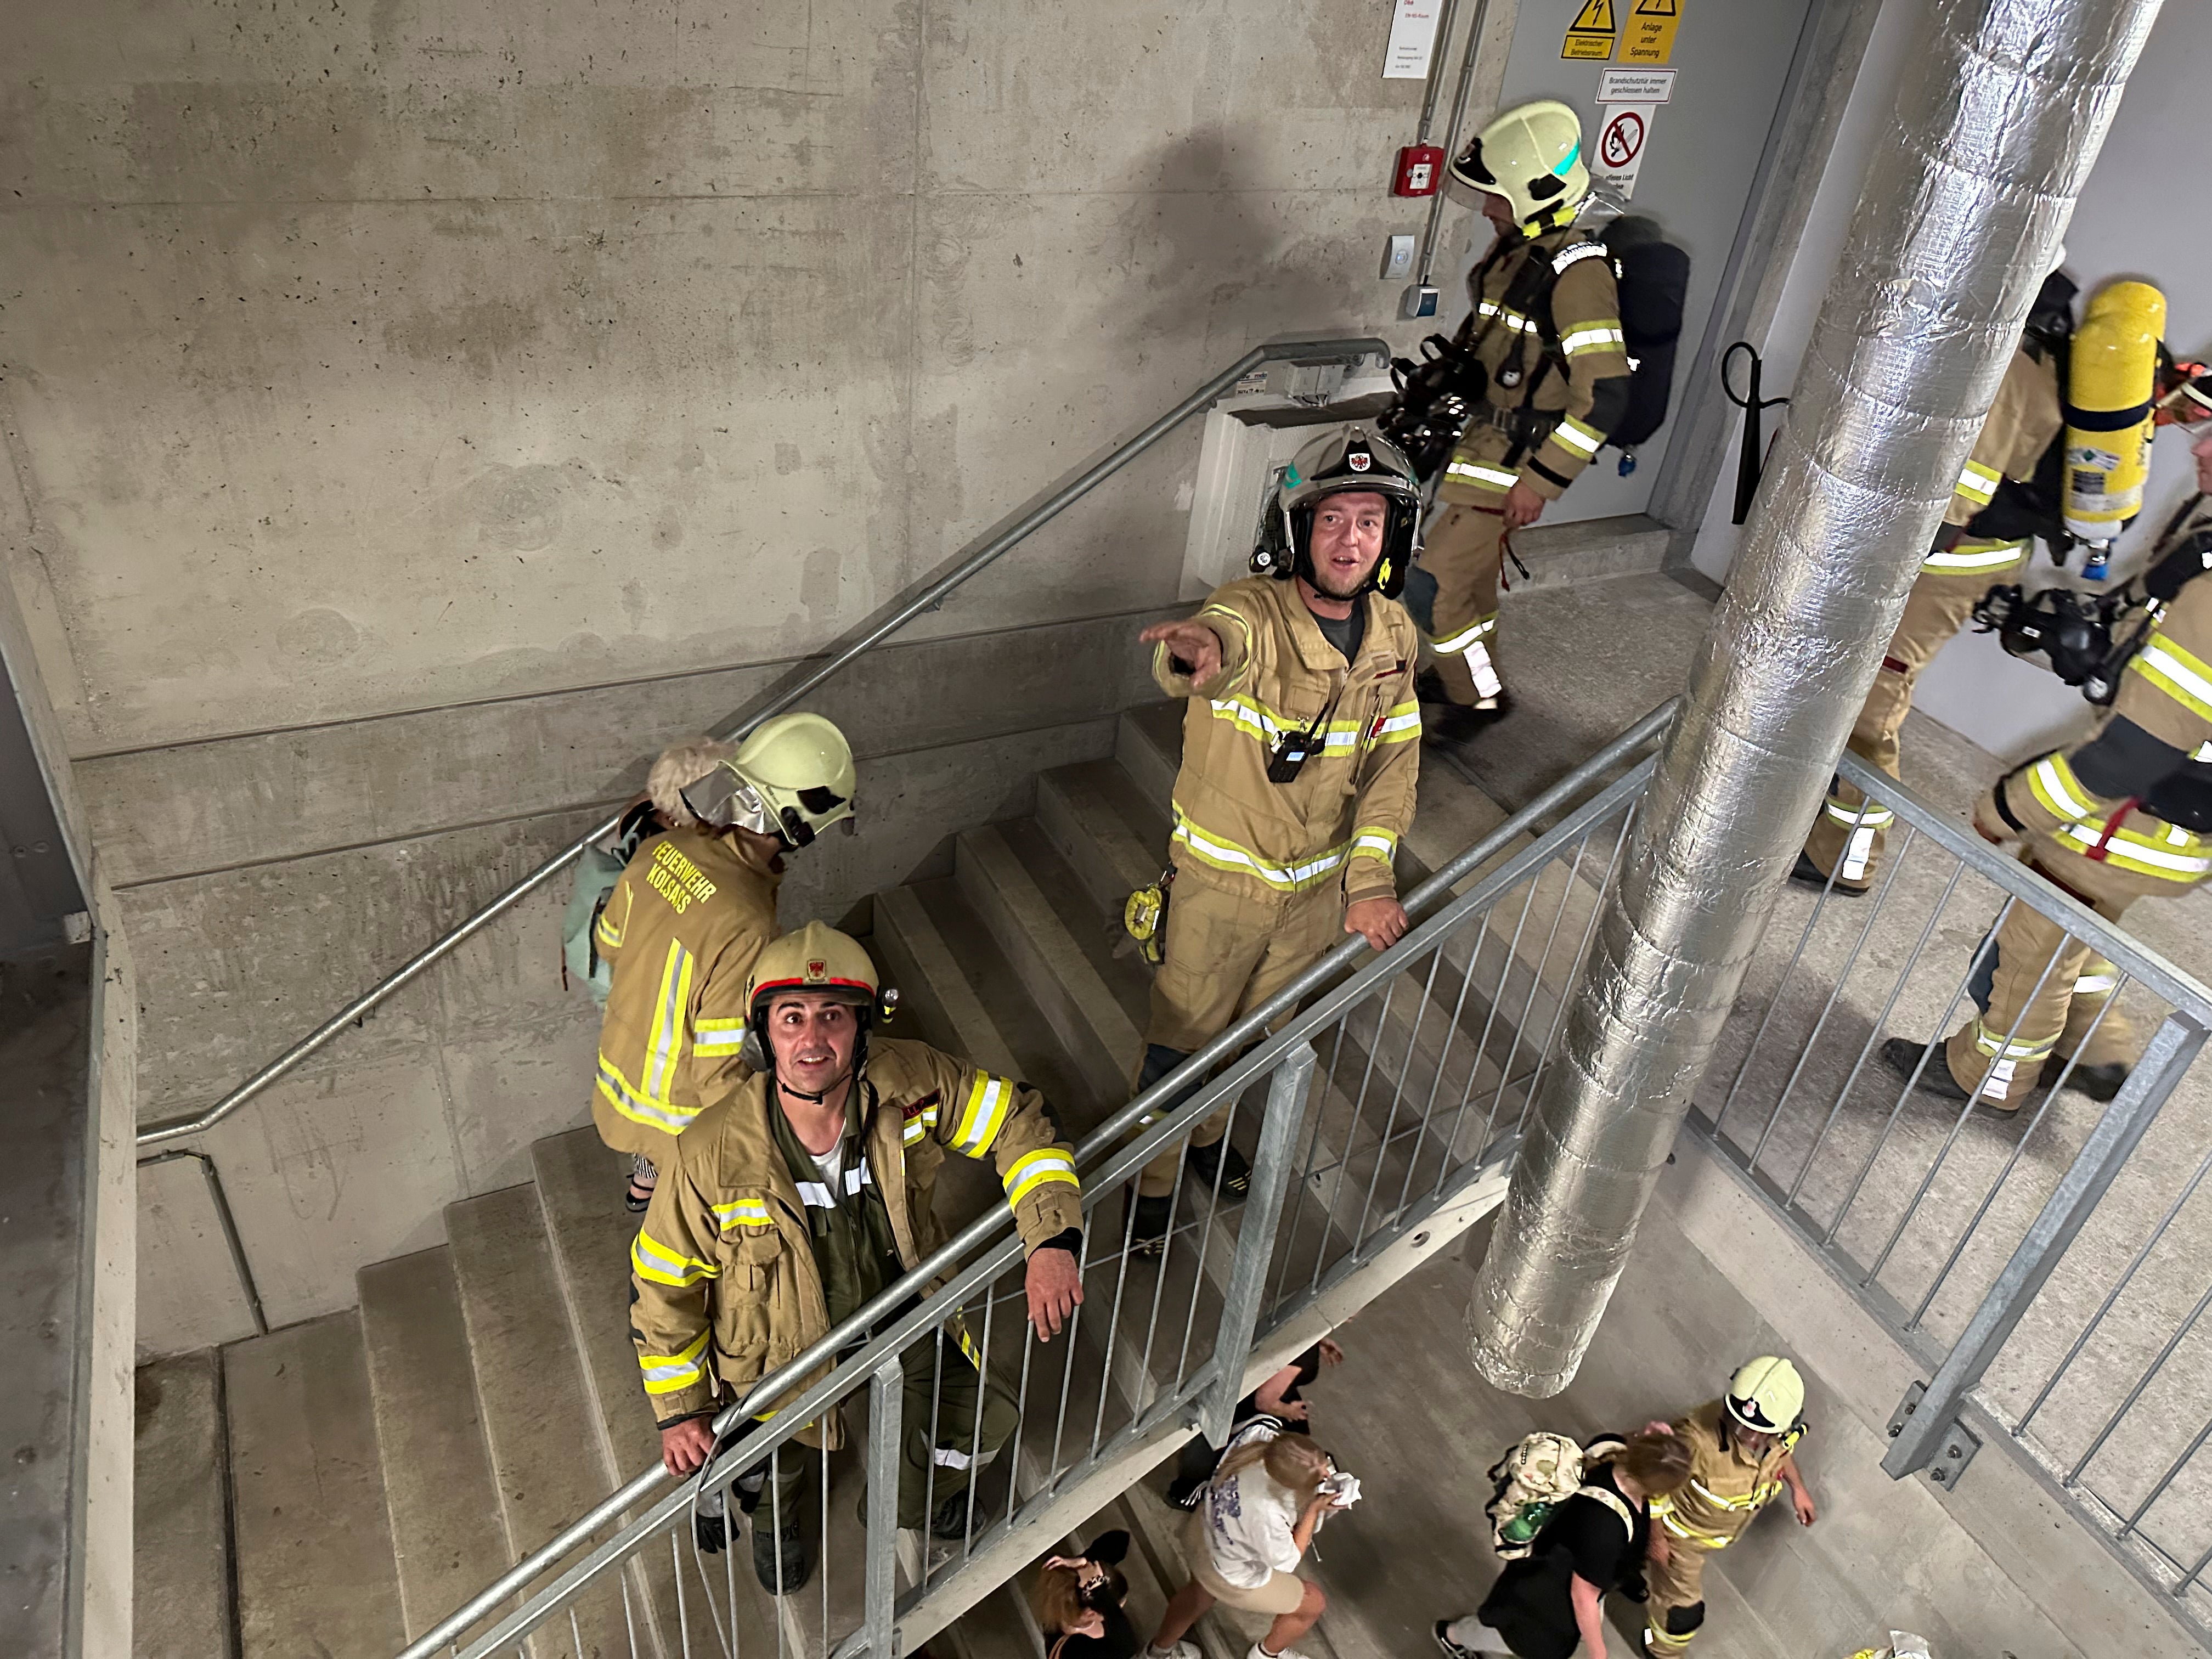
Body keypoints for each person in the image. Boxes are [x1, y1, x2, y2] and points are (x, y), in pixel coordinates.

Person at [628, 922, 1085, 1593]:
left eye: (832, 1017)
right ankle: (772, 1526)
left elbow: (1018, 1123)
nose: (812, 1040)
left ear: (862, 1028)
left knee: (981, 1415)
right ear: (764, 1034)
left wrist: (1051, 1238)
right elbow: (664, 1284)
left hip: (903, 1299)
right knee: (777, 1459)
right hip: (779, 1351)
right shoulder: (709, 1155)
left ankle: (914, 1503)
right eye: (792, 1019)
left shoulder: (913, 1081)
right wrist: (681, 1408)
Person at [1128, 427, 1424, 1251]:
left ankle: (1210, 1143)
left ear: (1391, 536)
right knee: (1179, 1046)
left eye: (1370, 520)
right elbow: (1216, 644)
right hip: (1217, 896)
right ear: (1297, 529)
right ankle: (1152, 1186)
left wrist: (1369, 877)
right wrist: (1199, 656)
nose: (1350, 538)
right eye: (1332, 519)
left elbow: (1396, 762)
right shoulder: (1248, 610)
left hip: (1311, 905)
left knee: (1255, 1042)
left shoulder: (1395, 638)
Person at [1883, 398, 2212, 1107]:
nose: (2201, 451)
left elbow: (2127, 758)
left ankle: (1990, 1076)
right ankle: (2101, 1052)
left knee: (2033, 945)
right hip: (2177, 822)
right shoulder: (2206, 543)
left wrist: (2006, 810)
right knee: (2080, 930)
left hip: (2132, 817)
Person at [1797, 275, 2073, 893]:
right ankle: (1816, 817)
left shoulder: (2009, 370)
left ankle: (1847, 857)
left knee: (1874, 703)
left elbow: (1964, 494)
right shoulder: (2014, 358)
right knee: (1848, 690)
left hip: (1942, 567)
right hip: (1935, 560)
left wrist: (1879, 560)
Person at [1419, 100, 1633, 742]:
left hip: (1514, 460)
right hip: (1482, 445)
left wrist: (1541, 483)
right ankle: (1475, 678)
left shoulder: (1578, 275)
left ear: (1538, 197)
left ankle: (1476, 701)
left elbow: (1608, 395)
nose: (1488, 209)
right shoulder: (1526, 251)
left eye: (1498, 198)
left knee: (1433, 587)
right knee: (1475, 588)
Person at [591, 714, 857, 1209]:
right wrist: (757, 1144)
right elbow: (716, 1065)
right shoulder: (747, 918)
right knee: (676, 1246)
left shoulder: (662, 849)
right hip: (677, 1121)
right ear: (803, 822)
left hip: (616, 1083)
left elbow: (608, 945)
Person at [1435, 1427, 1692, 1659]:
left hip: (1551, 1558)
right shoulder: (1604, 1529)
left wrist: (1658, 1446)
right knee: (1511, 1634)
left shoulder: (1608, 1449)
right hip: (1545, 1592)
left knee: (1519, 1626)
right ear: (1655, 1488)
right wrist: (1598, 1652)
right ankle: (1452, 1636)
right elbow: (1583, 1597)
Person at [1637, 1359, 1816, 1658]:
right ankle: (1657, 1649)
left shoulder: (1777, 1432)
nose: (1747, 1436)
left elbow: (1781, 1455)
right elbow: (1654, 1487)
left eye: (1759, 1431)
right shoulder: (1694, 1440)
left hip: (1714, 1536)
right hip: (1680, 1540)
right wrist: (1657, 1541)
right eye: (1740, 1423)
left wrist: (1799, 1489)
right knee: (1681, 1614)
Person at [1146, 1430, 1353, 1659]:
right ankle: (1266, 1655)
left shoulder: (1253, 1448)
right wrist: (1314, 1510)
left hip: (1204, 1537)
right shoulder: (1267, 1512)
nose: (1327, 1474)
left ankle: (1158, 1652)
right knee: (1312, 1604)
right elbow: (1287, 1560)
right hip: (1229, 1573)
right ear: (1289, 1483)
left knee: (1199, 1593)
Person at [1166, 1338, 1346, 1509]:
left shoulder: (1306, 1334)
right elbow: (1264, 1401)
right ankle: (1185, 1492)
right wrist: (1288, 1411)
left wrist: (1318, 1341)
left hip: (1244, 1380)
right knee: (1217, 1441)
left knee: (1298, 1429)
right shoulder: (1304, 1356)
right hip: (1243, 1396)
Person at [1035, 1531, 1141, 1659]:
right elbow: (1127, 1647)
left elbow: (1120, 1539)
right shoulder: (1076, 1651)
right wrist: (1097, 1591)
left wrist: (1086, 1562)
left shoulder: (1060, 1603)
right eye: (1115, 1607)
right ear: (1091, 1614)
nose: (1117, 1613)